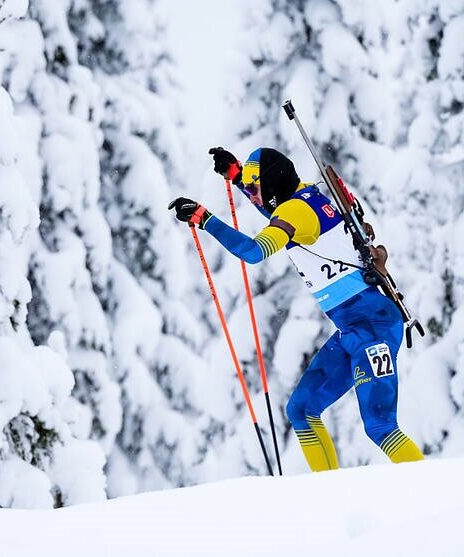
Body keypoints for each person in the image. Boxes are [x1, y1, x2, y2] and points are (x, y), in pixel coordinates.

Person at [169, 147, 424, 471]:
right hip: (356, 327)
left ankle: (431, 492)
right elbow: (278, 214)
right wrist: (236, 177)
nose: (256, 197)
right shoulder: (307, 198)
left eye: (256, 187)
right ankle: (331, 495)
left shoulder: (295, 213)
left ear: (273, 184)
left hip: (372, 327)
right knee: (301, 410)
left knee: (381, 427)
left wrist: (206, 220)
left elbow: (254, 251)